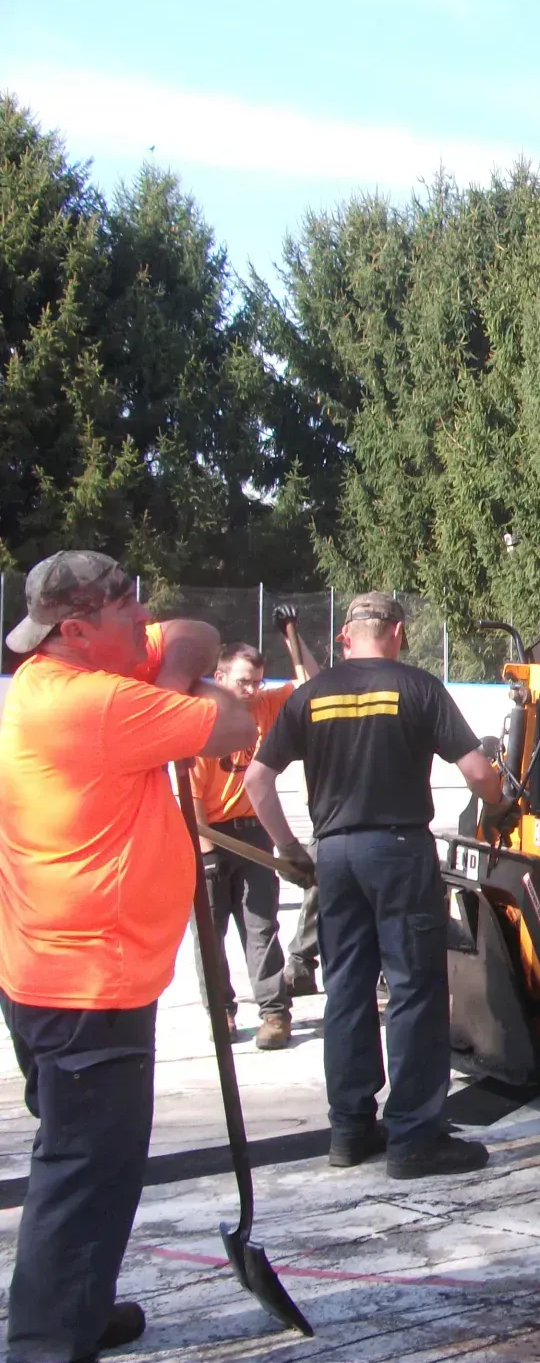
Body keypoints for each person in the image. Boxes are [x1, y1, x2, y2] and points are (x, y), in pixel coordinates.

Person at [0, 550, 255, 1363]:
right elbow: (239, 724)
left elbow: (197, 631)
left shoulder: (79, 676)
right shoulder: (93, 704)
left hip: (54, 972)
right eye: (123, 611)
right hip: (87, 985)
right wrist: (171, 695)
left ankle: (76, 1304)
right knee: (86, 1168)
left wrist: (168, 681)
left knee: (82, 1156)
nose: (142, 620)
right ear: (75, 629)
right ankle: (47, 1343)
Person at [245, 591, 504, 1178]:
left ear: (343, 637)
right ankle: (415, 1137)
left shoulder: (309, 696)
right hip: (398, 851)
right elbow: (477, 771)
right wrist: (504, 804)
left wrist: (290, 849)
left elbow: (258, 781)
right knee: (413, 991)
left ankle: (351, 1130)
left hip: (333, 856)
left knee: (347, 990)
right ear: (400, 633)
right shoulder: (417, 688)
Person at [191, 613, 320, 1050]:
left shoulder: (265, 706)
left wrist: (292, 638)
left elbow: (311, 689)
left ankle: (273, 1013)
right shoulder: (202, 718)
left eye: (258, 682)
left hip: (254, 834)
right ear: (219, 676)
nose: (252, 691)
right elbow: (190, 798)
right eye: (244, 682)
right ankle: (221, 1012)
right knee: (211, 933)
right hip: (211, 837)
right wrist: (205, 848)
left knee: (261, 927)